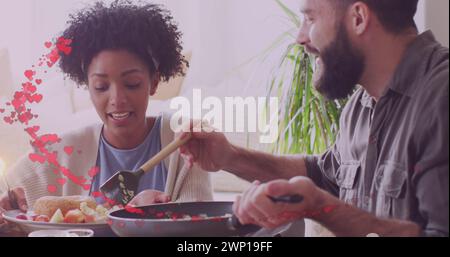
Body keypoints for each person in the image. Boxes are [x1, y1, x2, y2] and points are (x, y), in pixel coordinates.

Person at [180, 0, 448, 237]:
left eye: (310, 18)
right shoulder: (360, 104)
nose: (300, 38)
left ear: (358, 18)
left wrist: (322, 208)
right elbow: (325, 176)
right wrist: (230, 156)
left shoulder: (441, 98)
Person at [0, 0, 212, 224]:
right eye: (101, 87)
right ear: (87, 87)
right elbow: (10, 195)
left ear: (154, 82)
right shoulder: (62, 153)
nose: (117, 100)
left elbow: (201, 227)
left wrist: (142, 217)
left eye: (131, 84)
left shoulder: (183, 143)